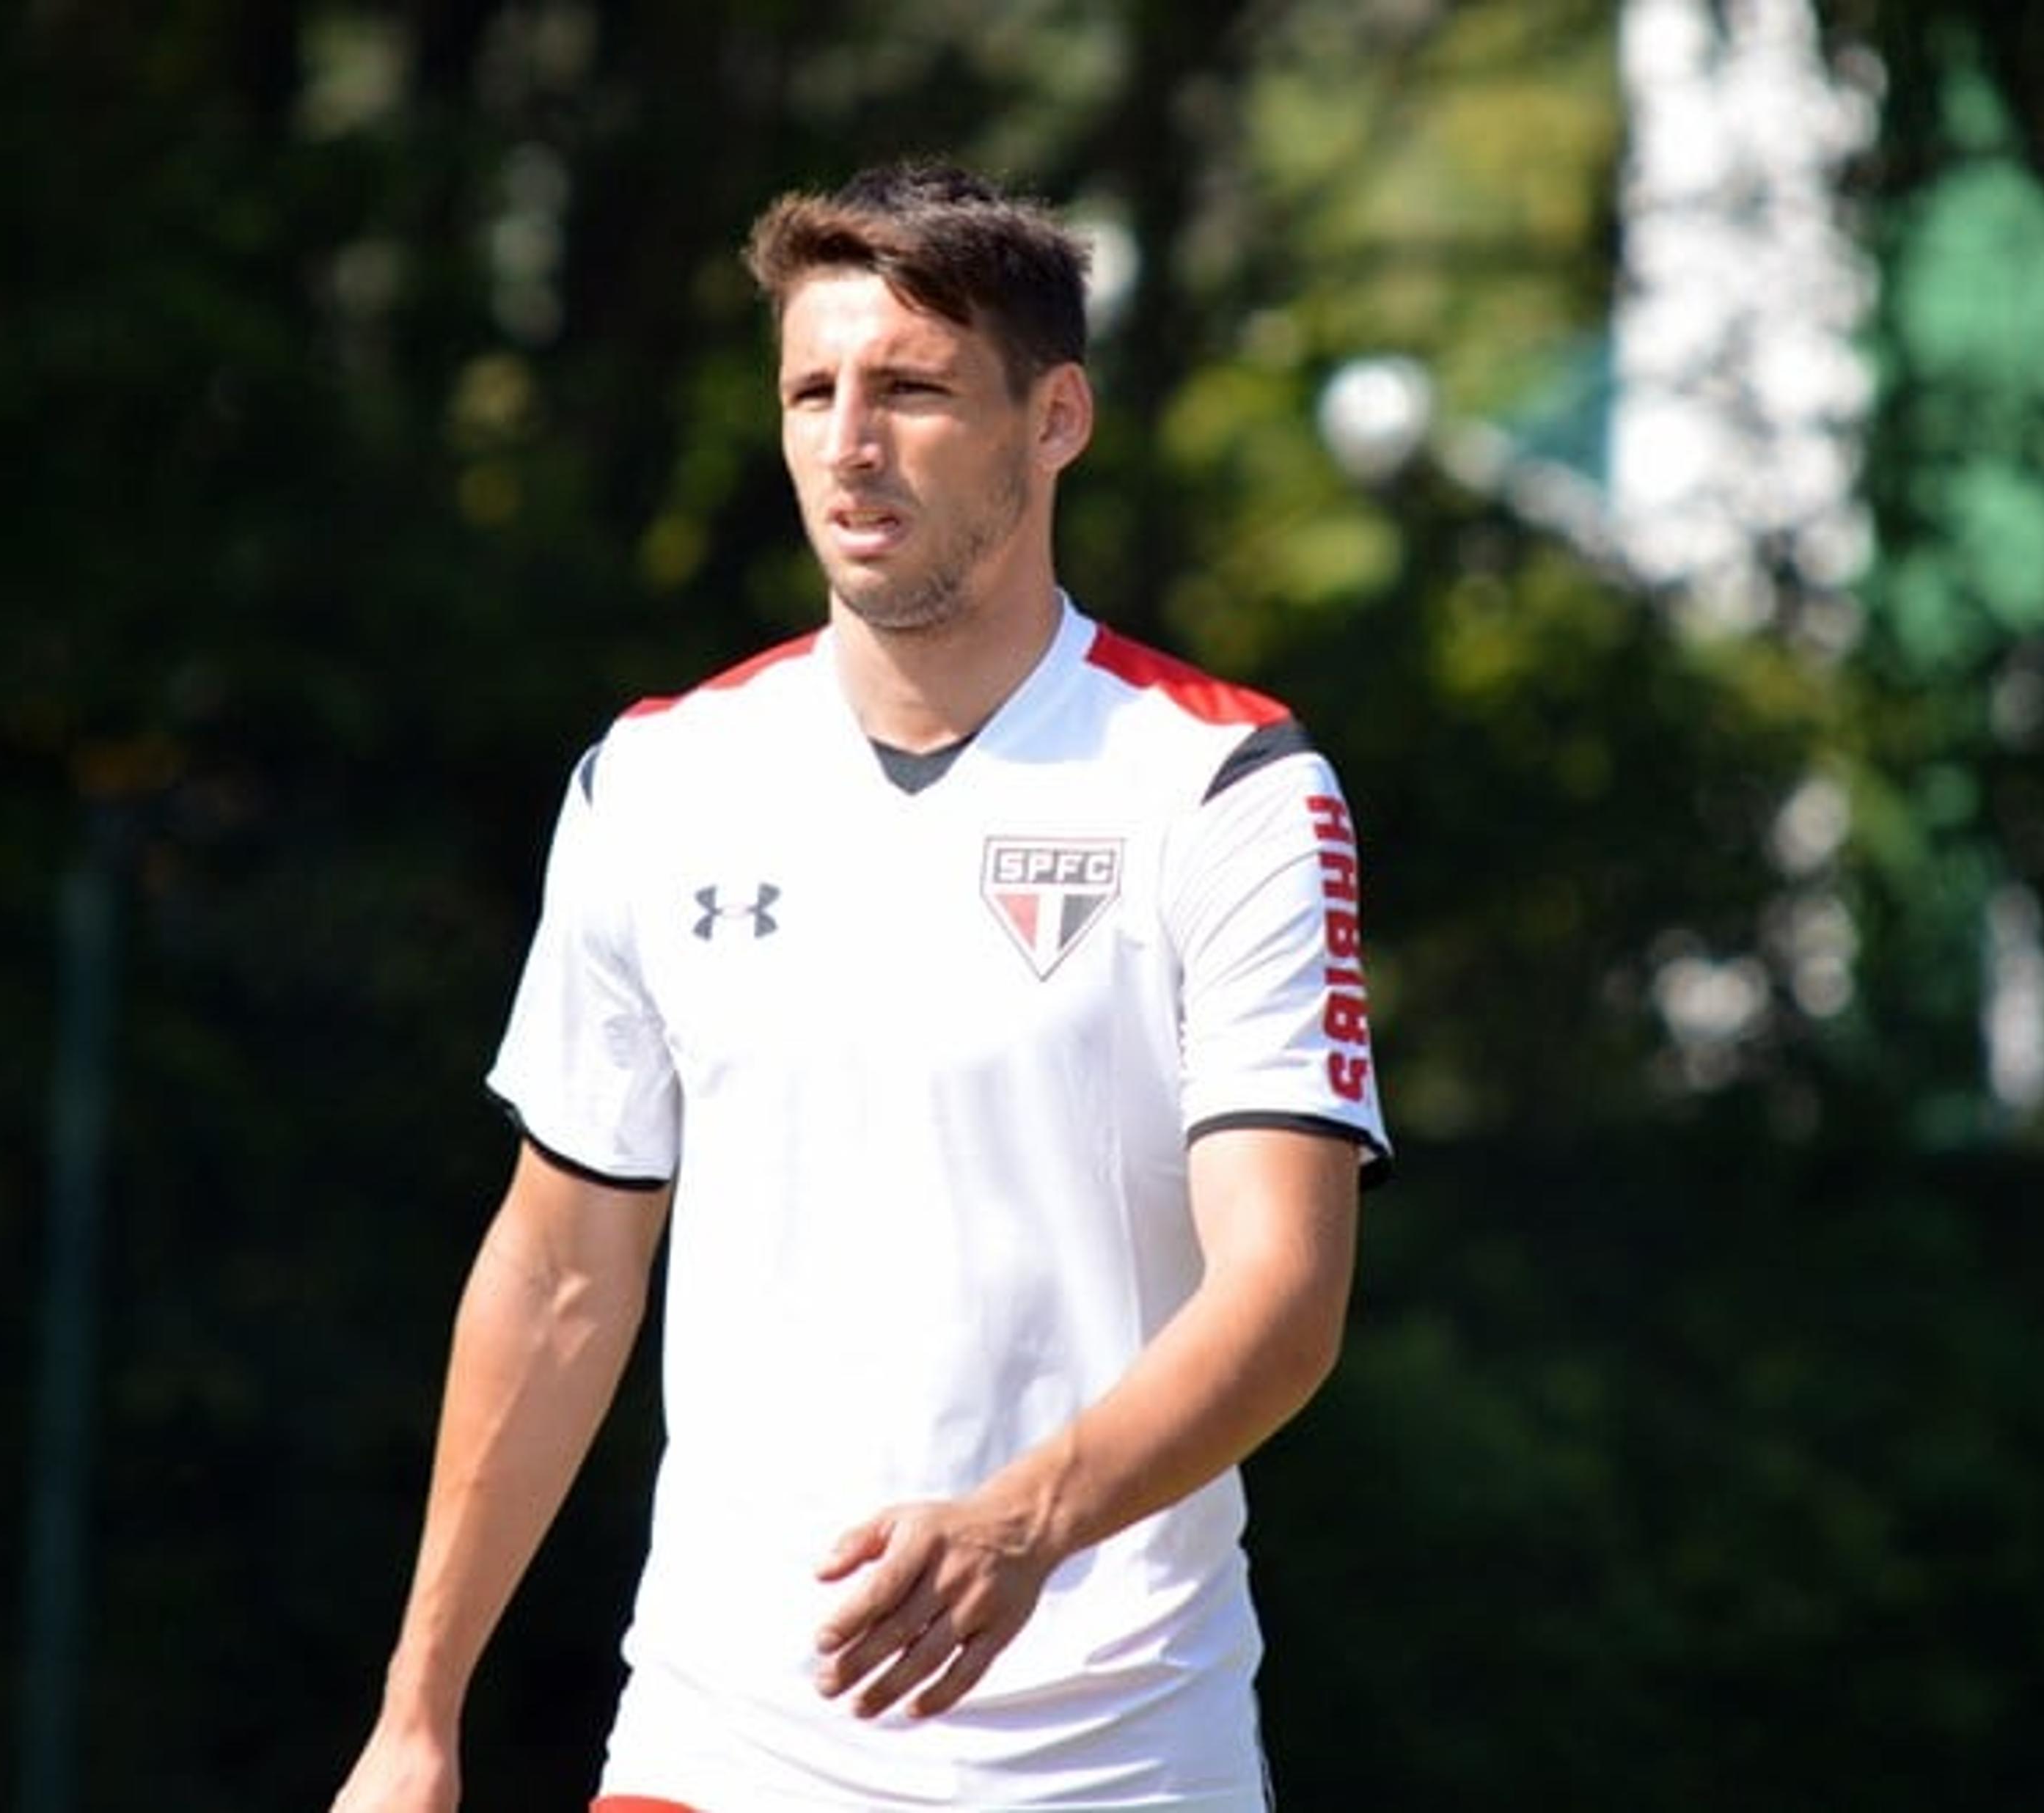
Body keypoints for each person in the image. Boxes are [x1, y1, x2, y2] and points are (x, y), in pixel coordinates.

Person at [329, 160, 1390, 1813]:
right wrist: (417, 1713)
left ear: (1056, 422)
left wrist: (1024, 1520)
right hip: (719, 1740)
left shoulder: (1228, 785)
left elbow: (1284, 1291)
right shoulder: (657, 780)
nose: (848, 441)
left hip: (1105, 1765)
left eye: (910, 389)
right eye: (811, 390)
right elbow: (559, 1273)